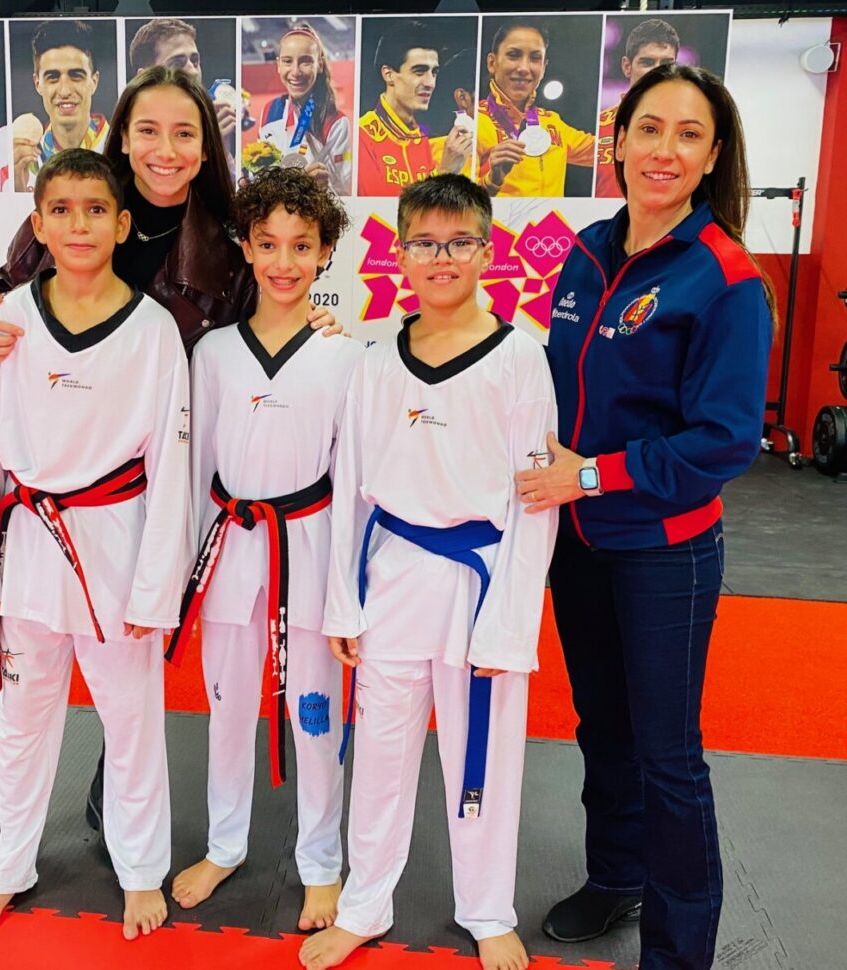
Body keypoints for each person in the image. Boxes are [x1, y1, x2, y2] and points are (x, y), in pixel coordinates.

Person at [0, 67, 339, 897]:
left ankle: (123, 810)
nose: (165, 149)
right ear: (123, 136)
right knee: (22, 673)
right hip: (47, 486)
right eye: (148, 130)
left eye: (185, 133)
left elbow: (264, 323)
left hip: (146, 481)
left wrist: (312, 321)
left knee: (128, 676)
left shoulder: (226, 239)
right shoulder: (77, 202)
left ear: (206, 148)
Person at [515, 64, 774, 969]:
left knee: (668, 754)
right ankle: (616, 874)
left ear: (713, 155)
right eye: (650, 129)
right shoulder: (587, 253)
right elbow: (553, 386)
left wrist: (591, 475)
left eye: (689, 134)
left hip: (665, 550)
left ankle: (678, 949)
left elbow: (724, 441)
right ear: (618, 141)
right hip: (579, 542)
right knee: (603, 729)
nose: (665, 150)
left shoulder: (725, 278)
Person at [301, 174, 558, 970]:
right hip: (392, 578)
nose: (441, 258)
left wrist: (511, 624)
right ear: (400, 254)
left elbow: (536, 501)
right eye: (424, 243)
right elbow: (350, 488)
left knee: (486, 754)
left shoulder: (521, 359)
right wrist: (342, 604)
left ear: (487, 251)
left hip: (481, 582)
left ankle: (487, 908)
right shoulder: (376, 362)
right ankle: (364, 904)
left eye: (459, 242)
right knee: (380, 752)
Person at [0, 148, 191, 942]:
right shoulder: (9, 320)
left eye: (95, 210)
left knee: (131, 719)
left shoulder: (154, 331)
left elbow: (172, 468)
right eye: (61, 209)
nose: (79, 224)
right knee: (22, 718)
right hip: (29, 545)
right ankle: (8, 866)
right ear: (39, 223)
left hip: (117, 545)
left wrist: (157, 587)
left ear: (122, 225)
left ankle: (140, 868)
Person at [167, 167, 360, 932]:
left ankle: (321, 863)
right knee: (225, 711)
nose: (284, 261)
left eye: (301, 246)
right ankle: (225, 844)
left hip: (308, 552)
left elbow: (354, 484)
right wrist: (181, 574)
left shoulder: (348, 358)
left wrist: (347, 592)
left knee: (317, 717)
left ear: (325, 252)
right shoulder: (213, 353)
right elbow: (193, 471)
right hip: (228, 554)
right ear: (245, 248)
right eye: (269, 243)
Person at [476, 23, 594, 198]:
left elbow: (607, 150)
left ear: (544, 67)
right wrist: (492, 181)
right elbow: (453, 202)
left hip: (552, 217)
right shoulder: (473, 124)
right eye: (514, 55)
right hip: (494, 217)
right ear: (492, 63)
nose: (524, 68)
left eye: (535, 58)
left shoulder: (552, 122)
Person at [357, 22, 472, 196]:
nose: (430, 83)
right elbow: (376, 211)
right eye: (419, 72)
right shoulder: (361, 136)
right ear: (389, 74)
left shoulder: (423, 140)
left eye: (434, 72)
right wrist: (445, 172)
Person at [129, 18, 238, 181]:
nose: (193, 72)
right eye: (177, 64)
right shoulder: (131, 142)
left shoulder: (222, 128)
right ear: (145, 77)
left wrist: (220, 151)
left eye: (195, 61)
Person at [13, 20, 108, 192]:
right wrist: (18, 195)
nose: (64, 91)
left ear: (94, 81)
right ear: (37, 83)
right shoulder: (21, 165)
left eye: (76, 75)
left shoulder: (121, 151)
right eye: (53, 77)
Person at [256, 23, 352, 195]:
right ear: (278, 65)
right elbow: (260, 174)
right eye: (287, 61)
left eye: (305, 61)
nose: (295, 72)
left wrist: (321, 189)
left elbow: (344, 194)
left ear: (320, 65)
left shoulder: (336, 123)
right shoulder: (270, 110)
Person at [596, 19, 680, 198]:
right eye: (647, 62)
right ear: (627, 67)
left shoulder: (690, 131)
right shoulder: (597, 128)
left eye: (666, 64)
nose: (657, 72)